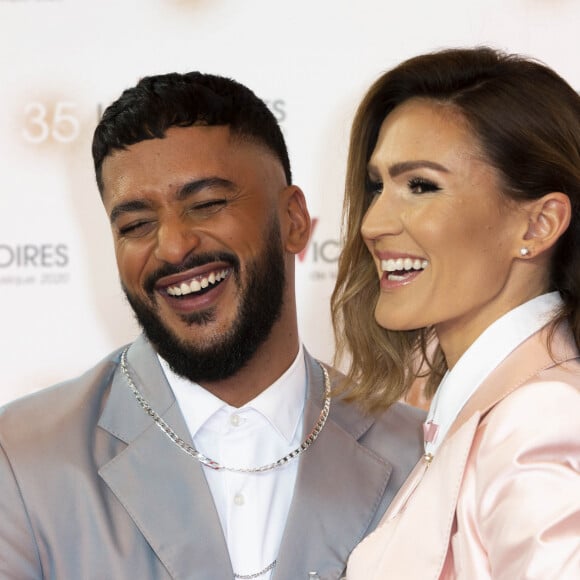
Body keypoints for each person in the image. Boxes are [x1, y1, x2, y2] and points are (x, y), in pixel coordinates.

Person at [0, 71, 425, 580]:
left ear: (292, 220)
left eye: (205, 205)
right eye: (135, 224)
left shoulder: (421, 454)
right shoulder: (22, 457)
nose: (174, 246)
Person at [330, 47, 580, 579]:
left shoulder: (537, 417)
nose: (373, 224)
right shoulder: (491, 407)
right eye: (378, 186)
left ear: (538, 225)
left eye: (420, 186)